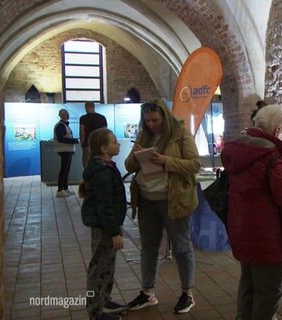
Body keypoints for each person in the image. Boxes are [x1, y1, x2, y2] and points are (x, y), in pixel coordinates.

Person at [221, 104, 282, 320]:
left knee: (249, 285)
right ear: (276, 132)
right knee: (269, 293)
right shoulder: (272, 159)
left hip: (241, 229)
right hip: (268, 234)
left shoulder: (238, 150)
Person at [125, 99, 201, 314]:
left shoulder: (181, 135)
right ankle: (147, 293)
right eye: (147, 120)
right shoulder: (144, 135)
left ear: (165, 117)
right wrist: (136, 156)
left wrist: (165, 161)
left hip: (173, 199)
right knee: (149, 247)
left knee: (181, 246)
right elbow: (129, 166)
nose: (151, 124)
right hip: (147, 199)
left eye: (155, 120)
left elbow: (194, 165)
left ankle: (187, 294)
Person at [79, 128, 127, 320]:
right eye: (115, 142)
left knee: (107, 265)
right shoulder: (102, 173)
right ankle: (95, 311)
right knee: (100, 268)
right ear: (104, 148)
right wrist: (114, 231)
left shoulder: (105, 167)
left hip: (107, 226)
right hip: (104, 228)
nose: (118, 144)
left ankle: (104, 299)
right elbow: (105, 206)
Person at [53, 108, 79, 197]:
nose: (68, 115)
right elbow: (60, 138)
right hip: (63, 150)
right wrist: (73, 141)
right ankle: (60, 190)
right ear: (61, 115)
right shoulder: (60, 125)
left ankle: (65, 188)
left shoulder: (65, 125)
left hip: (68, 150)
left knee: (66, 170)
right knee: (63, 170)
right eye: (65, 114)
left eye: (68, 113)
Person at [80, 101, 108, 167]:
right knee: (101, 160)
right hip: (100, 144)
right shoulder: (102, 117)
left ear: (86, 107)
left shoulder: (83, 118)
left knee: (87, 161)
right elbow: (105, 131)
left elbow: (82, 131)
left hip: (88, 143)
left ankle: (88, 176)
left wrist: (82, 144)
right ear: (94, 107)